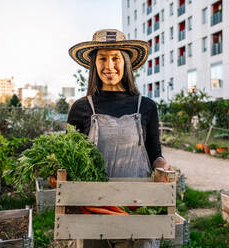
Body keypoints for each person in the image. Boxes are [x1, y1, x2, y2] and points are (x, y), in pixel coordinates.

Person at [67, 29, 172, 248]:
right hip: (92, 210)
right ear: (94, 64)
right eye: (102, 58)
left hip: (138, 209)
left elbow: (155, 154)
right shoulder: (81, 108)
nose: (109, 65)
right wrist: (57, 172)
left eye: (115, 58)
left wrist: (164, 168)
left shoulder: (146, 106)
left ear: (126, 62)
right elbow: (68, 162)